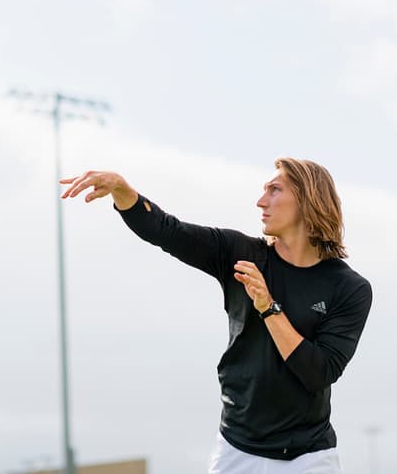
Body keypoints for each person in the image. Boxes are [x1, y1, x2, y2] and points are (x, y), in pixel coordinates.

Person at [60, 157, 372, 474]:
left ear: (308, 199)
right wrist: (122, 191)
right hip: (237, 450)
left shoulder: (349, 288)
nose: (261, 201)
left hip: (309, 459)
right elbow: (168, 231)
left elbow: (319, 372)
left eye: (274, 190)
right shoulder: (239, 254)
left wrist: (268, 307)